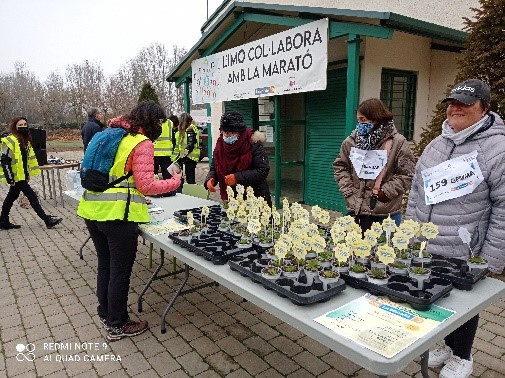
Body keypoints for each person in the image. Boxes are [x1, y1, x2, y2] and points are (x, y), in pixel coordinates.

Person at [406, 79, 505, 378]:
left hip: (467, 247)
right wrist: (411, 233)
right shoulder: (438, 144)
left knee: (464, 303)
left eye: (465, 103)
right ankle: (449, 347)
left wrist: (491, 257)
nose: (455, 108)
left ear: (484, 108)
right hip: (431, 244)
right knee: (440, 297)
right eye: (452, 102)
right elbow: (416, 192)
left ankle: (463, 355)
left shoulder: (497, 148)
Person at [77, 101, 182, 341]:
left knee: (105, 265)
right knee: (120, 272)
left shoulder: (110, 135)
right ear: (151, 122)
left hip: (92, 210)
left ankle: (106, 313)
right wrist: (175, 182)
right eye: (158, 123)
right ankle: (118, 324)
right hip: (117, 216)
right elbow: (146, 185)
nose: (160, 127)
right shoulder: (140, 142)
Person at [333, 98, 415, 233]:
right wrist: (349, 191)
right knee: (357, 252)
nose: (360, 124)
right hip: (357, 211)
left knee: (384, 251)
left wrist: (386, 192)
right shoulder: (351, 142)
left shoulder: (397, 142)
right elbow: (340, 167)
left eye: (363, 120)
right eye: (358, 120)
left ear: (377, 118)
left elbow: (407, 174)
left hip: (386, 214)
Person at [0, 117, 63, 230]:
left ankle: (3, 221)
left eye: (25, 124)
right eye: (20, 124)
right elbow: (5, 161)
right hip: (15, 177)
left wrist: (27, 174)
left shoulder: (25, 140)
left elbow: (25, 160)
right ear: (14, 126)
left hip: (21, 176)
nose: (23, 126)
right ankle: (47, 219)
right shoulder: (8, 141)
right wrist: (10, 178)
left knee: (11, 197)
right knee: (32, 196)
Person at [205, 111, 271, 205]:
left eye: (230, 133)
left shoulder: (253, 142)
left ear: (239, 132)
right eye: (224, 132)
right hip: (230, 196)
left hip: (254, 197)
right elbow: (215, 167)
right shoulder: (220, 144)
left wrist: (237, 177)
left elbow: (262, 170)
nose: (227, 136)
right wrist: (211, 178)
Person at [174, 113, 200, 184]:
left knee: (190, 179)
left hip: (190, 156)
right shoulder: (189, 129)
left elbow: (190, 145)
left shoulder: (190, 130)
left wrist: (183, 154)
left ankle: (192, 193)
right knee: (187, 177)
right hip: (188, 156)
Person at [153, 114, 179, 180]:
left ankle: (155, 189)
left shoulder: (152, 121)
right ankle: (168, 189)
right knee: (167, 176)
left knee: (153, 176)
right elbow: (173, 138)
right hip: (167, 153)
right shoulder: (170, 122)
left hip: (154, 152)